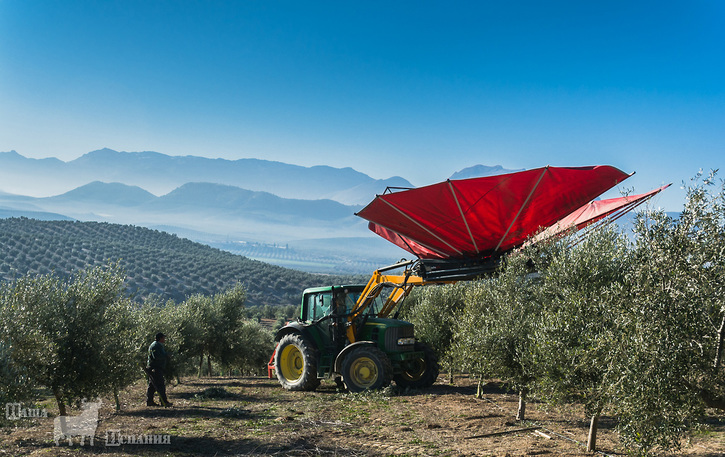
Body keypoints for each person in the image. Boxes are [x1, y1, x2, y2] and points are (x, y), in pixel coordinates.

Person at [146, 332, 172, 407]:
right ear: (160, 338)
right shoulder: (156, 346)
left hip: (155, 368)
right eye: (164, 338)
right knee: (160, 385)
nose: (164, 339)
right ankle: (164, 401)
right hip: (155, 368)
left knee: (152, 386)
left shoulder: (158, 345)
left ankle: (150, 401)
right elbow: (156, 357)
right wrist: (166, 355)